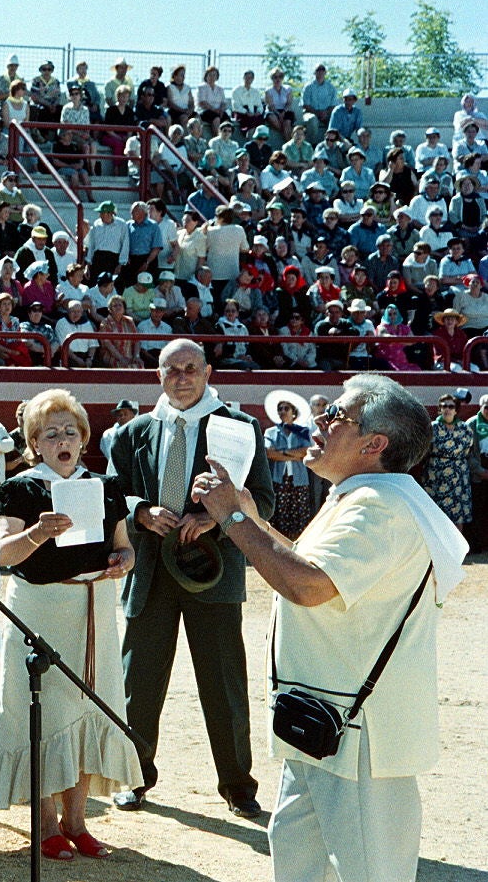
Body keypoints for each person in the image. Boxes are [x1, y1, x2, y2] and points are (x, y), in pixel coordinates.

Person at [189, 374, 467, 882]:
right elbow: (305, 564)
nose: (320, 419)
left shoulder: (378, 506)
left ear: (374, 444)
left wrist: (232, 518)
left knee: (368, 872)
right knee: (300, 863)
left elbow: (309, 586)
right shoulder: (362, 497)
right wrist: (250, 517)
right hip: (323, 721)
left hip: (359, 737)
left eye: (338, 415)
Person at [108, 339, 274, 818]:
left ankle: (238, 785)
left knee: (223, 683)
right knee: (138, 680)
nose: (181, 378)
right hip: (151, 574)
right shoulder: (133, 432)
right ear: (156, 376)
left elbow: (262, 501)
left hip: (213, 571)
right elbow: (113, 496)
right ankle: (135, 776)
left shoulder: (239, 428)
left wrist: (217, 519)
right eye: (171, 370)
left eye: (190, 369)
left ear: (207, 372)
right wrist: (141, 512)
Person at [0, 389, 142, 860]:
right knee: (46, 712)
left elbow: (125, 546)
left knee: (90, 707)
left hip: (94, 608)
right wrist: (37, 533)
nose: (62, 439)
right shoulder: (21, 488)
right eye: (50, 433)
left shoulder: (104, 485)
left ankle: (77, 820)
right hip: (40, 610)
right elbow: (2, 554)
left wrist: (122, 561)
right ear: (35, 442)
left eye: (70, 431)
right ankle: (45, 822)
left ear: (84, 437)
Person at [263, 390, 315, 540]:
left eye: (286, 408)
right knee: (279, 510)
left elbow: (306, 452)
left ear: (294, 412)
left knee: (299, 510)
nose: (282, 411)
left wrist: (283, 452)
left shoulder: (302, 431)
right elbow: (269, 453)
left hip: (298, 477)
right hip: (279, 477)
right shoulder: (271, 431)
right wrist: (294, 454)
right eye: (280, 409)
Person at [423, 393, 476, 534]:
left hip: (459, 476)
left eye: (450, 406)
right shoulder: (432, 428)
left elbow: (468, 450)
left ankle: (457, 551)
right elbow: (425, 450)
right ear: (439, 409)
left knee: (458, 514)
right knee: (436, 513)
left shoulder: (465, 429)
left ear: (456, 409)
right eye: (444, 406)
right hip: (436, 475)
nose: (447, 409)